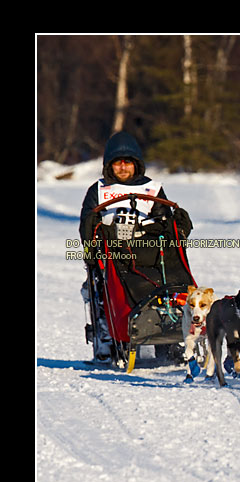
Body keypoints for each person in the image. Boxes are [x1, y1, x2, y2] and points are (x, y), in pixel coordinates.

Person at [80, 130, 193, 363]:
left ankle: (171, 341)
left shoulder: (152, 189)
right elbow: (87, 222)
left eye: (127, 163)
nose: (122, 168)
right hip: (112, 252)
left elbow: (164, 218)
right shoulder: (98, 191)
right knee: (99, 289)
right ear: (108, 166)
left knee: (170, 285)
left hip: (150, 251)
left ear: (136, 165)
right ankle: (108, 341)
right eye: (117, 163)